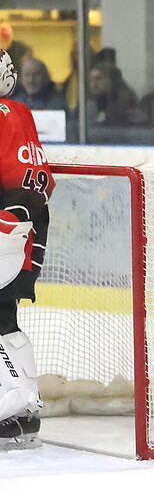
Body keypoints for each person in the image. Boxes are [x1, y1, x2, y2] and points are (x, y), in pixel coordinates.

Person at [0, 49, 55, 451]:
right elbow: (39, 188)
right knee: (5, 317)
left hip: (6, 229)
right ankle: (25, 405)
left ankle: (14, 402)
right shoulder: (22, 114)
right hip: (26, 237)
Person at [87, 61, 138, 126]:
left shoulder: (124, 103)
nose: (93, 84)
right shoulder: (91, 102)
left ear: (113, 80)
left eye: (98, 79)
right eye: (91, 80)